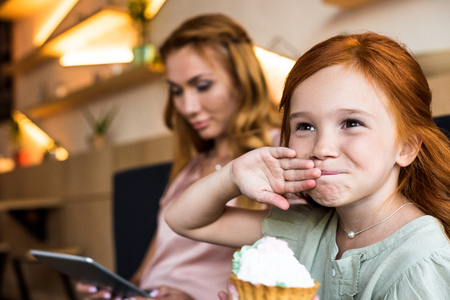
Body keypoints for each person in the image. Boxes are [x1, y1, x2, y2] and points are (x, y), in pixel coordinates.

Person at [166, 32, 450, 299]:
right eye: (305, 126)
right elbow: (183, 221)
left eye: (352, 123)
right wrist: (232, 175)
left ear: (406, 147)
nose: (322, 148)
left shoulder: (421, 258)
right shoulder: (305, 230)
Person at [76, 13, 281, 300]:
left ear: (241, 79)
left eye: (202, 85)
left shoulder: (278, 152)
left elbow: (294, 263)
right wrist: (119, 290)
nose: (188, 107)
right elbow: (154, 263)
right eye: (176, 91)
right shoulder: (190, 167)